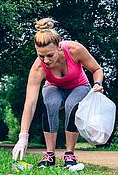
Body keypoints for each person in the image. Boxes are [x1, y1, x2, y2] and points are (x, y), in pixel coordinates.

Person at [12, 18, 104, 168]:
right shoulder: (38, 68)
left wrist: (98, 84)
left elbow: (97, 69)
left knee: (71, 105)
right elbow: (30, 104)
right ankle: (49, 155)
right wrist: (23, 136)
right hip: (54, 87)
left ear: (59, 47)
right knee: (51, 103)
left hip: (79, 86)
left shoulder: (75, 50)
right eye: (41, 56)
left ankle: (70, 154)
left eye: (49, 55)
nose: (46, 60)